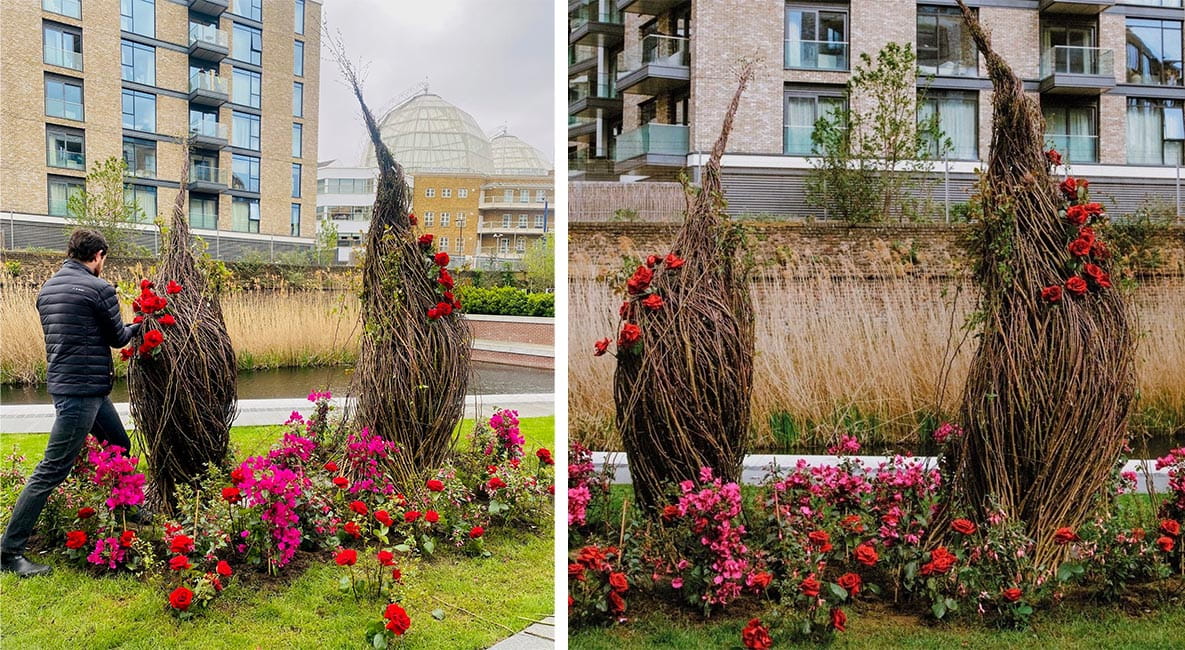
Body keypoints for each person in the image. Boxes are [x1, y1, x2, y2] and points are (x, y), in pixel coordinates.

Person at [0, 229, 143, 577]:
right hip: (82, 391)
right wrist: (142, 324)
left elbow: (77, 332)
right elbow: (117, 338)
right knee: (51, 470)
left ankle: (122, 508)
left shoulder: (48, 288)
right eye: (103, 259)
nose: (102, 265)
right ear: (97, 256)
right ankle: (9, 553)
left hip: (71, 386)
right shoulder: (99, 288)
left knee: (118, 444)